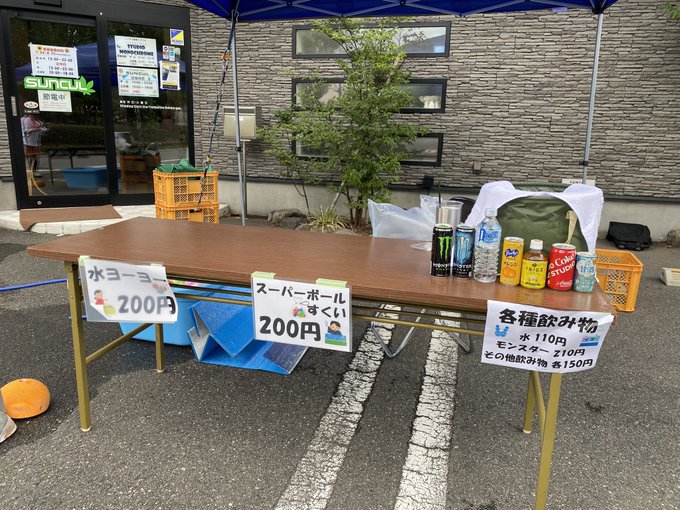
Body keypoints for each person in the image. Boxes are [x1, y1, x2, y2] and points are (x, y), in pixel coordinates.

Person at [21, 113, 47, 192]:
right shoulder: (25, 120)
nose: (36, 117)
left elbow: (41, 130)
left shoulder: (37, 121)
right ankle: (29, 174)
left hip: (36, 142)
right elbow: (26, 131)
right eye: (35, 115)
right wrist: (36, 129)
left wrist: (42, 130)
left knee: (35, 158)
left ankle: (34, 173)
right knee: (28, 158)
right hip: (28, 142)